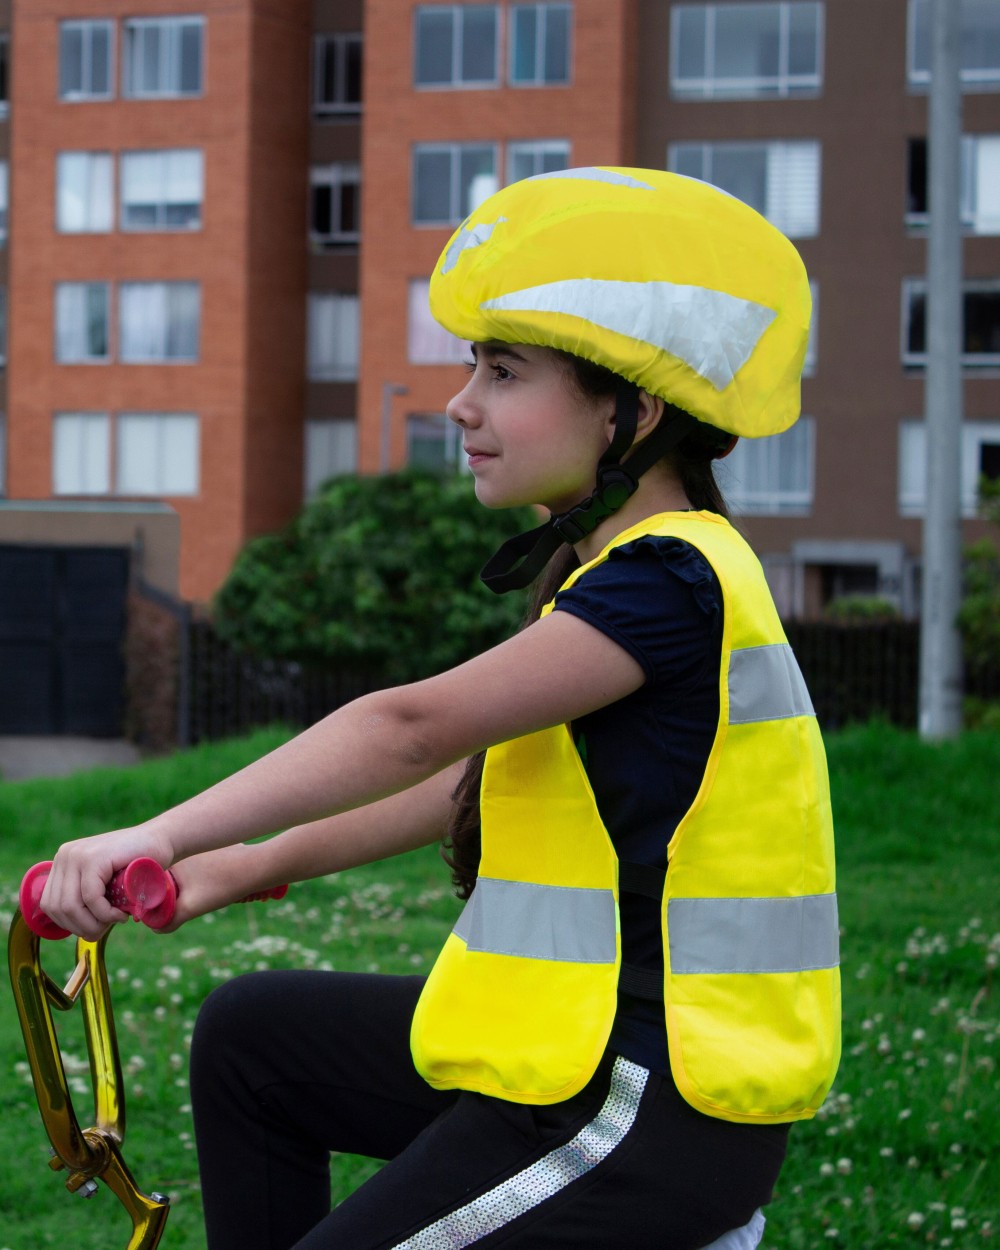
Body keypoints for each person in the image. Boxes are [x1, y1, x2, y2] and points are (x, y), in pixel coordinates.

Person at [40, 167, 841, 1250]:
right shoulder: (609, 577)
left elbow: (409, 730)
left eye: (503, 372)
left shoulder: (669, 581)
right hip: (560, 1061)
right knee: (253, 1038)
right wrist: (237, 866)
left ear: (633, 412)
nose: (462, 403)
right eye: (473, 367)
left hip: (645, 1108)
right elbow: (460, 786)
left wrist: (161, 830)